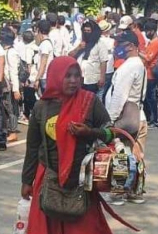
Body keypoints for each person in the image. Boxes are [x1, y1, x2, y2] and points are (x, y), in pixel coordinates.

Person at [21, 56, 119, 234]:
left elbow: (111, 132)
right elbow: (33, 147)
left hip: (80, 180)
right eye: (68, 76)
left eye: (77, 75)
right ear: (56, 76)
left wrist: (90, 133)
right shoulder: (41, 107)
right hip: (48, 178)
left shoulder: (89, 101)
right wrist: (27, 181)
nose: (74, 81)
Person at [104, 30, 147, 205]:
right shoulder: (139, 64)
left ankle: (118, 192)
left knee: (121, 153)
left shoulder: (128, 67)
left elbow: (119, 96)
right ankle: (135, 191)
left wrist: (111, 121)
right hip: (139, 116)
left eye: (120, 44)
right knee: (137, 156)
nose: (117, 47)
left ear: (130, 46)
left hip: (125, 118)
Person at [68, 20, 108, 94]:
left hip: (92, 79)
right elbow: (70, 55)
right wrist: (78, 48)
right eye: (85, 30)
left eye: (88, 31)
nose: (86, 33)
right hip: (79, 78)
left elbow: (103, 61)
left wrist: (102, 77)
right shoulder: (79, 41)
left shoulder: (99, 44)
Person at [0, 27, 21, 142]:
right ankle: (8, 129)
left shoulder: (11, 52)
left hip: (10, 86)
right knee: (6, 107)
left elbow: (14, 72)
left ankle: (13, 131)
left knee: (11, 109)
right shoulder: (5, 51)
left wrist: (16, 89)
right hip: (5, 84)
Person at [141, 21, 158, 128]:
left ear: (152, 31)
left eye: (147, 31)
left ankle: (155, 120)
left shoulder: (155, 43)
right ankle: (151, 119)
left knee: (151, 98)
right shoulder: (151, 42)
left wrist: (138, 53)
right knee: (149, 97)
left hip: (151, 74)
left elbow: (148, 58)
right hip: (148, 72)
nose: (146, 33)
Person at [21, 30, 39, 121]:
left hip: (30, 75)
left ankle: (30, 114)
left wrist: (26, 78)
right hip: (37, 73)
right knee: (34, 95)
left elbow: (28, 65)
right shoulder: (36, 47)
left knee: (29, 96)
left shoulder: (28, 49)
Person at [34, 20, 54, 93]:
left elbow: (43, 64)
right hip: (46, 77)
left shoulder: (45, 44)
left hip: (44, 78)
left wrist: (37, 79)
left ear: (39, 30)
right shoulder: (47, 42)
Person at [97, 20, 115, 102]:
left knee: (100, 93)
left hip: (99, 69)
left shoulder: (97, 41)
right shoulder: (111, 41)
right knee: (107, 93)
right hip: (109, 69)